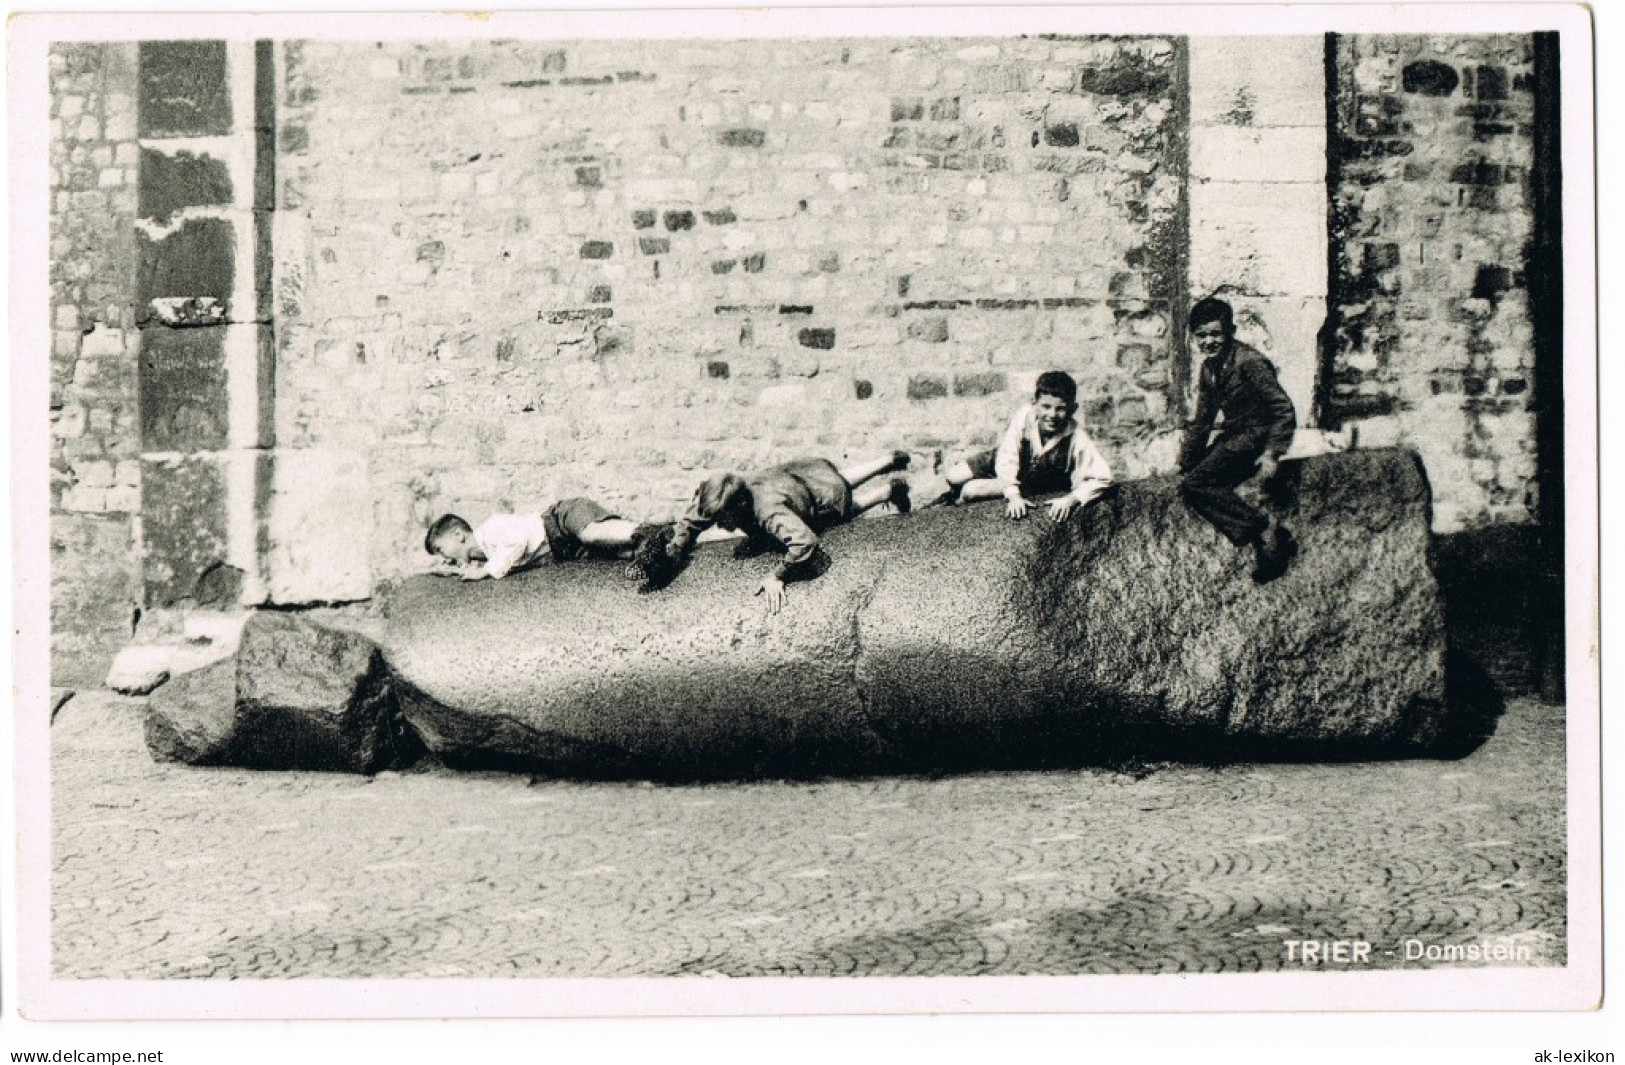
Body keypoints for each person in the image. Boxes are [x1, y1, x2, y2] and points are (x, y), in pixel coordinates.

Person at [648, 452, 911, 612]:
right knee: (836, 478)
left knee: (838, 506)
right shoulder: (725, 493)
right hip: (807, 473)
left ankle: (882, 494)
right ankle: (887, 460)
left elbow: (805, 542)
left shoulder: (767, 511)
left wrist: (778, 576)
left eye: (722, 519)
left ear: (740, 506)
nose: (717, 525)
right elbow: (694, 520)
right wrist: (676, 548)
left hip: (822, 499)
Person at [1177, 297, 1299, 584]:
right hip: (1233, 437)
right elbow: (1203, 419)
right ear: (1193, 336)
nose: (1209, 341)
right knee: (1190, 475)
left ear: (1229, 331)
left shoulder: (1250, 363)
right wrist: (1186, 459)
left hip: (1254, 438)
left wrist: (1272, 453)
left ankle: (1261, 527)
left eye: (1216, 334)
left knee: (1195, 485)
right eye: (1202, 335)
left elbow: (1283, 409)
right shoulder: (1209, 369)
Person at [937, 370, 1114, 522]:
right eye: (1045, 406)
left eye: (1060, 409)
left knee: (971, 490)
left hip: (1030, 477)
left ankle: (954, 505)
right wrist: (1013, 495)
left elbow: (1103, 477)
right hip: (1003, 460)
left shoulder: (1076, 437)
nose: (1052, 415)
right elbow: (1008, 454)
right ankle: (950, 493)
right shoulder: (1025, 416)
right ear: (1034, 403)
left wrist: (1071, 499)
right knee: (954, 475)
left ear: (1072, 409)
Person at [425, 498, 663, 581]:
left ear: (458, 535)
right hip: (563, 551)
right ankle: (662, 538)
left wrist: (486, 571)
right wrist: (456, 570)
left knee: (592, 533)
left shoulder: (491, 528)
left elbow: (517, 541)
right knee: (617, 554)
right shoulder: (487, 555)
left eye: (441, 550)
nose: (444, 558)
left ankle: (646, 531)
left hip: (558, 522)